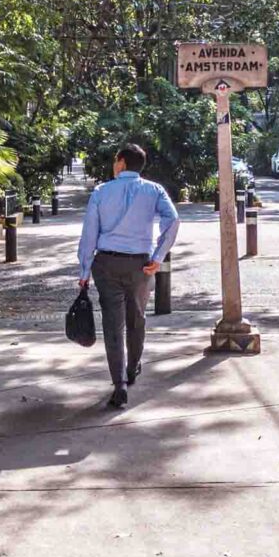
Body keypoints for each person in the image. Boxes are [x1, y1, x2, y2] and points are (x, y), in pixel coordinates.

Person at [77, 144, 180, 409]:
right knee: (137, 318)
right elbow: (173, 219)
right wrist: (158, 256)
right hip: (140, 266)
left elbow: (89, 233)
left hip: (106, 264)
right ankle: (133, 368)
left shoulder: (101, 191)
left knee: (113, 323)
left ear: (121, 163)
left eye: (115, 161)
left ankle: (119, 384)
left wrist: (84, 271)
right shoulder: (154, 190)